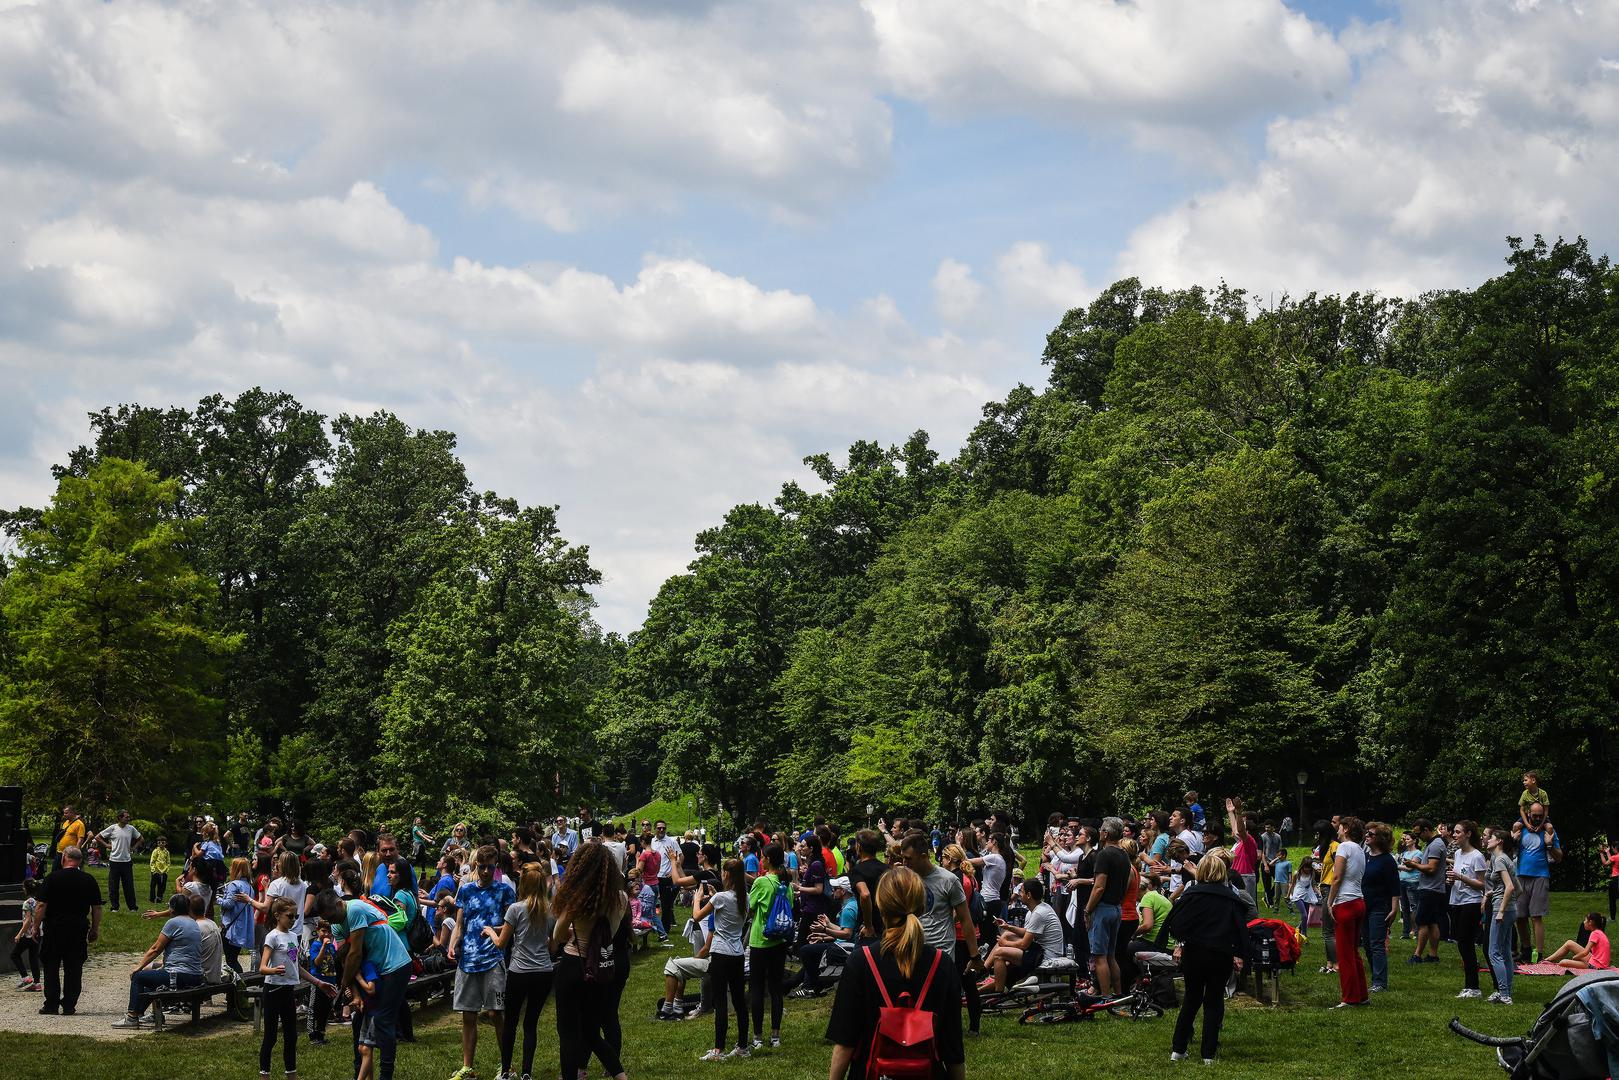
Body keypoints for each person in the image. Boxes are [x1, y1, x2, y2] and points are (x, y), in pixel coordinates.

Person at [826, 865, 966, 1080]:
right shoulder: (942, 964)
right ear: (922, 906)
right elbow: (952, 1047)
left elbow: (845, 1042)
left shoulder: (861, 962)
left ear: (880, 906)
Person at [318, 864, 413, 1080]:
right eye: (328, 919)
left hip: (396, 966)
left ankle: (385, 1076)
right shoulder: (336, 924)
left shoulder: (356, 909)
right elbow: (344, 957)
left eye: (333, 915)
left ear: (340, 903)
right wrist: (353, 991)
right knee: (363, 1020)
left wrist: (344, 984)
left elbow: (355, 954)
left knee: (384, 1021)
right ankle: (361, 1073)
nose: (333, 921)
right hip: (377, 970)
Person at [550, 840, 631, 1080]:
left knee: (568, 1033)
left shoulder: (578, 897)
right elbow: (610, 933)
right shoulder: (620, 899)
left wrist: (572, 934)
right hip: (601, 969)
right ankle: (620, 1076)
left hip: (574, 964)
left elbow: (557, 934)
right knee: (592, 1032)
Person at [1165, 852, 1252, 1064]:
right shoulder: (1231, 899)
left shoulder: (1191, 895)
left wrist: (1184, 941)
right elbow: (1239, 929)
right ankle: (1208, 1054)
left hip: (1194, 953)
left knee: (1191, 1000)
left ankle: (1178, 1049)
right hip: (1220, 955)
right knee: (1214, 1001)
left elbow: (1175, 924)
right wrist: (1238, 953)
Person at [448, 844, 513, 1080]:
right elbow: (459, 923)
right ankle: (468, 1067)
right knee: (468, 1015)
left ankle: (506, 1065)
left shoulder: (504, 891)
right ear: (476, 865)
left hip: (493, 957)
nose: (485, 871)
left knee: (496, 1013)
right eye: (482, 866)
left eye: (490, 867)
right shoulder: (465, 890)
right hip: (468, 959)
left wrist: (496, 931)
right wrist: (452, 945)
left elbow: (510, 926)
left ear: (496, 866)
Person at [256, 895, 332, 1076]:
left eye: (296, 917)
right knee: (271, 1037)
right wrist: (273, 971)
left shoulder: (292, 937)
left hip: (288, 991)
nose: (293, 920)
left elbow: (295, 966)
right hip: (273, 990)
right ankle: (264, 1074)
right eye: (290, 916)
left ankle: (291, 1074)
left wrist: (318, 982)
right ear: (277, 915)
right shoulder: (272, 937)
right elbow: (262, 968)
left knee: (291, 1036)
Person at [494, 862, 555, 1080]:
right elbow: (553, 945)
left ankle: (505, 1071)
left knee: (511, 1021)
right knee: (531, 1024)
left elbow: (502, 943)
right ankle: (527, 1072)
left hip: (519, 971)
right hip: (544, 971)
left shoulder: (515, 908)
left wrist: (490, 931)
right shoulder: (549, 910)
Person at [114, 892, 205, 1027]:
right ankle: (143, 1014)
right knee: (151, 977)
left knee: (139, 977)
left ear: (172, 909)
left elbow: (156, 949)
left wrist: (138, 967)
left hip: (179, 976)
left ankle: (132, 1017)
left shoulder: (173, 923)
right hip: (195, 976)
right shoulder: (193, 923)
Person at [695, 857, 752, 1061]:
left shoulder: (720, 897)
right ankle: (743, 1046)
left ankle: (718, 1050)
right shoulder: (744, 899)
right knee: (739, 1001)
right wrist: (713, 897)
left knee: (720, 1002)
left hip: (720, 953)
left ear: (726, 874)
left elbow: (697, 916)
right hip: (737, 953)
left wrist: (697, 898)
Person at [35, 844, 102, 1015]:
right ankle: (69, 1004)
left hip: (54, 927)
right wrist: (94, 929)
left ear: (64, 857)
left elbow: (41, 905)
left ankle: (51, 1004)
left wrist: (35, 927)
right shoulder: (89, 880)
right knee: (74, 967)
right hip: (78, 927)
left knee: (51, 965)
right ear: (80, 861)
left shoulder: (52, 878)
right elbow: (96, 908)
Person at [746, 843, 790, 1049]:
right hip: (780, 941)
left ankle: (757, 1036)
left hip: (760, 941)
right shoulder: (786, 884)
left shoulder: (762, 882)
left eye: (763, 857)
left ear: (769, 859)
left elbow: (750, 907)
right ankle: (775, 1035)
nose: (761, 860)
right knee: (775, 988)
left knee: (756, 988)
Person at [984, 878, 1062, 992]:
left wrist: (1005, 944)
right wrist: (1008, 926)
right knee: (1007, 934)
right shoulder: (1036, 909)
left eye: (1021, 891)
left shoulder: (1039, 913)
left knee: (999, 953)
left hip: (1046, 955)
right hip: (1038, 949)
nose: (1019, 894)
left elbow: (1024, 944)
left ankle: (999, 989)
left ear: (1029, 895)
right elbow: (1027, 932)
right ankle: (984, 970)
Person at [1085, 817, 1131, 998]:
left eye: (1101, 829)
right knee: (1111, 956)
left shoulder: (1104, 855)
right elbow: (1127, 883)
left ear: (1106, 833)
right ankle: (1118, 994)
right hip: (1116, 908)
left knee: (1099, 957)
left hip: (1102, 908)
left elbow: (1099, 886)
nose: (1099, 832)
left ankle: (1105, 996)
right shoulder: (1124, 855)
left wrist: (1087, 909)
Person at [1327, 816, 1369, 1008]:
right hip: (1359, 901)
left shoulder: (1343, 847)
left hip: (1345, 902)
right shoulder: (1360, 849)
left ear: (1345, 829)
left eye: (1339, 826)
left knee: (1344, 953)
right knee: (1353, 951)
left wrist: (1330, 901)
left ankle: (1350, 998)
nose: (1337, 829)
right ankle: (1361, 994)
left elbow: (1337, 877)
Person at [793, 876, 858, 998]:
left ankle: (811, 987)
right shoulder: (851, 904)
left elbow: (847, 934)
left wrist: (825, 929)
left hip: (845, 948)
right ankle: (811, 985)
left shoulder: (848, 909)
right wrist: (824, 932)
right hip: (843, 945)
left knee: (806, 951)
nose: (832, 891)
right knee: (811, 949)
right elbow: (843, 930)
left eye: (834, 889)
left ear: (843, 891)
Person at [1444, 820, 1488, 999]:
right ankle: (1470, 985)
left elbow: (1481, 884)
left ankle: (1473, 986)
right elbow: (1458, 877)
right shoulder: (1458, 854)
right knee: (1461, 943)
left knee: (1466, 942)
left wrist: (1460, 877)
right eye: (1454, 832)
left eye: (1458, 832)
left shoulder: (1476, 856)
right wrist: (1452, 881)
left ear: (1468, 834)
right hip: (1457, 901)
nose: (1454, 835)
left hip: (1471, 902)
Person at [1512, 802, 1561, 963]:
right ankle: (1526, 950)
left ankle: (1539, 955)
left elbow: (1559, 857)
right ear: (1528, 814)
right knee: (1519, 916)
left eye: (1541, 815)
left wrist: (1549, 845)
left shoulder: (1549, 831)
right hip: (1520, 875)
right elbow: (1506, 851)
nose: (1538, 818)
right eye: (1535, 815)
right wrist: (1513, 841)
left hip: (1540, 876)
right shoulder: (1521, 830)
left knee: (1536, 916)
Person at [1360, 822, 1400, 994]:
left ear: (1380, 839)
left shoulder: (1387, 860)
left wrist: (1394, 908)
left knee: (1377, 944)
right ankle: (1375, 976)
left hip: (1379, 906)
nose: (1367, 835)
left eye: (1371, 834)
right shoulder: (1364, 856)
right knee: (1367, 943)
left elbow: (1394, 886)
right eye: (1366, 832)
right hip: (1364, 905)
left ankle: (1380, 982)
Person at [1483, 826, 1520, 1005]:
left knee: (1494, 952)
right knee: (1505, 952)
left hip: (1502, 910)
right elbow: (1518, 888)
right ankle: (1506, 993)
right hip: (1511, 909)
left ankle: (1504, 994)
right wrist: (1493, 894)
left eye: (1492, 837)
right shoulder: (1506, 859)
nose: (1488, 839)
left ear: (1499, 842)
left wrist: (1502, 910)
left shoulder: (1499, 860)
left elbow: (1511, 887)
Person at [1408, 818, 1446, 964]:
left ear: (1426, 830)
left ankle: (1417, 955)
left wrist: (1413, 865)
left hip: (1431, 889)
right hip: (1433, 888)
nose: (1418, 838)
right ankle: (1433, 955)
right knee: (1431, 922)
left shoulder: (1436, 845)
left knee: (1422, 921)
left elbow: (1431, 868)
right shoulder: (1432, 844)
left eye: (1418, 834)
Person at [93, 809, 143, 913]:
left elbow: (141, 839)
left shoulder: (131, 828)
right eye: (126, 817)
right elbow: (97, 837)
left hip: (127, 861)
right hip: (114, 861)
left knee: (128, 885)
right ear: (120, 818)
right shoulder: (112, 828)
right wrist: (106, 845)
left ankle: (132, 907)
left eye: (128, 817)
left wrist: (133, 848)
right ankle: (115, 907)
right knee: (113, 885)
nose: (128, 818)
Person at [217, 858, 257, 974]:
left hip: (231, 928)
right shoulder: (249, 887)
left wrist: (217, 899)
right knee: (233, 958)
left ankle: (238, 985)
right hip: (241, 927)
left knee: (231, 961)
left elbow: (228, 904)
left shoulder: (233, 885)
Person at [1543, 913, 1611, 970]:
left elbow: (1585, 952)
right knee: (1569, 943)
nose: (1584, 922)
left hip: (1596, 966)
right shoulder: (1599, 932)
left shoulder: (1594, 933)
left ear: (1590, 922)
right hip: (1597, 961)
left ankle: (1549, 962)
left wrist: (1575, 957)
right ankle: (1547, 960)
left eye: (1585, 920)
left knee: (1562, 962)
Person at [652, 820, 683, 933]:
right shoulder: (652, 842)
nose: (661, 830)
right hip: (653, 877)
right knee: (652, 903)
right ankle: (652, 926)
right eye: (659, 828)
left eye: (663, 828)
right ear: (655, 829)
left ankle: (665, 928)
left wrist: (674, 869)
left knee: (666, 904)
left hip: (666, 877)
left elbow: (680, 856)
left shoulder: (671, 841)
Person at [11, 879, 41, 991]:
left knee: (14, 955)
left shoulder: (27, 903)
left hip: (28, 934)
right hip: (38, 933)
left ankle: (25, 978)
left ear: (27, 889)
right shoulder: (38, 901)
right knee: (33, 958)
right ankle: (37, 983)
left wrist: (19, 934)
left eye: (24, 887)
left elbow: (27, 921)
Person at [52, 807, 86, 872]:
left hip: (70, 854)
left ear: (72, 813)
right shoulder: (66, 822)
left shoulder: (79, 824)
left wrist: (76, 852)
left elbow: (80, 839)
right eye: (64, 813)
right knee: (55, 871)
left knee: (68, 871)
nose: (64, 814)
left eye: (66, 813)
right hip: (60, 852)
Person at [148, 836, 171, 903]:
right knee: (153, 885)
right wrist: (154, 870)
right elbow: (152, 861)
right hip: (156, 871)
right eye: (159, 842)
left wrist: (166, 870)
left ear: (165, 843)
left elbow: (168, 862)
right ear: (157, 843)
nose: (161, 844)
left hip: (163, 872)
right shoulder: (155, 851)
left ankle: (159, 898)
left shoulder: (166, 852)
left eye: (163, 842)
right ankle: (152, 898)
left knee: (162, 886)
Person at [1601, 838, 1619, 922]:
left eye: (1612, 848)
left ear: (1615, 848)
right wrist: (1607, 852)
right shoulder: (1615, 857)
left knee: (1612, 899)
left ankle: (1612, 918)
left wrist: (1601, 853)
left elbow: (1605, 863)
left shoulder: (1615, 857)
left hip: (1615, 879)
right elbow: (1612, 860)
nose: (1612, 849)